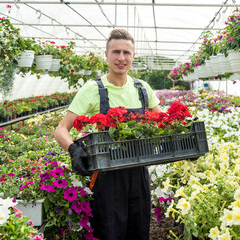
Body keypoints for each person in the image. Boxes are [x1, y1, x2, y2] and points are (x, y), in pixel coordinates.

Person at [54, 28, 162, 240]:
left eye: (126, 53)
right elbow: (60, 130)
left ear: (133, 56)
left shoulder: (143, 89)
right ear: (106, 55)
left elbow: (164, 124)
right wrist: (74, 150)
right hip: (106, 175)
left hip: (139, 172)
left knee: (139, 231)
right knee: (109, 232)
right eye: (116, 52)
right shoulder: (93, 89)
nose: (121, 58)